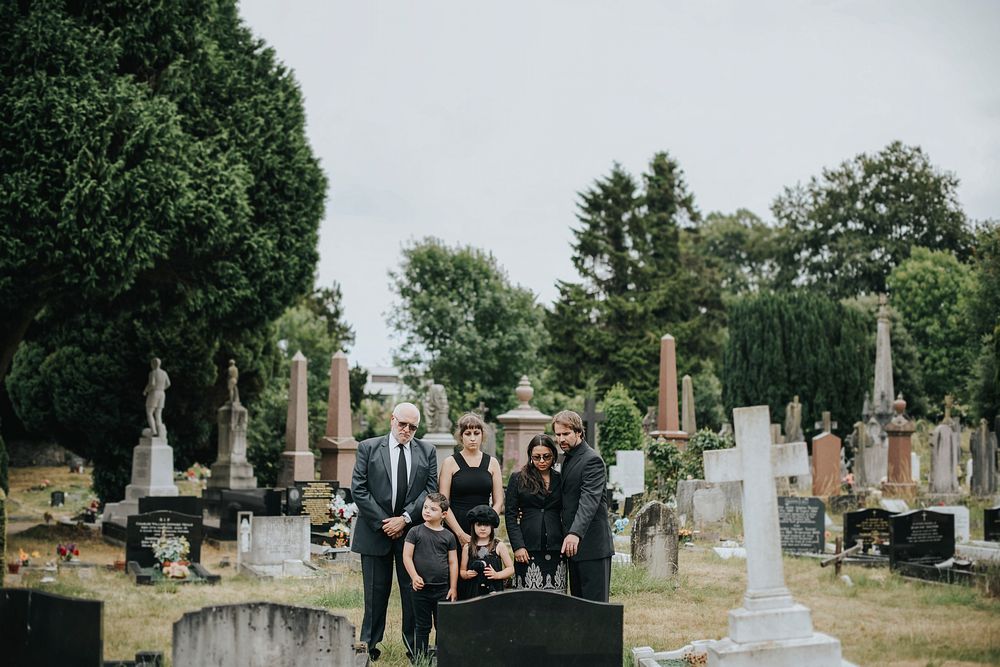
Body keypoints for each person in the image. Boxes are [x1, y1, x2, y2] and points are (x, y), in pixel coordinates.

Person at [351, 402, 438, 662]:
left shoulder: (427, 450)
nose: (407, 430)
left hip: (412, 534)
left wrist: (405, 519)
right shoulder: (368, 448)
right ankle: (369, 647)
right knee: (375, 594)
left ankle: (414, 648)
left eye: (413, 427)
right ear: (392, 420)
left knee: (413, 592)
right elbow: (359, 489)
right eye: (403, 424)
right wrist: (385, 522)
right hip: (375, 531)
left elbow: (429, 490)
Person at [553, 410, 614, 602]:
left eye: (566, 434)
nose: (561, 439)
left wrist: (574, 533)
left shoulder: (591, 460)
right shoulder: (568, 458)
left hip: (592, 545)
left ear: (579, 432)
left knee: (596, 607)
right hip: (574, 548)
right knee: (579, 606)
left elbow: (589, 501)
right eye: (558, 434)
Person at [505, 434, 566, 591]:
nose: (542, 461)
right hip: (527, 546)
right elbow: (510, 515)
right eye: (536, 457)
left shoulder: (561, 479)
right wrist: (518, 546)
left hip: (555, 545)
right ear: (530, 456)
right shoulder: (518, 478)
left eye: (546, 456)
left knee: (555, 597)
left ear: (553, 455)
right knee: (527, 598)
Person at [402, 492, 458, 662]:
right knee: (422, 626)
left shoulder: (448, 536)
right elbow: (407, 556)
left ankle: (442, 658)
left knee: (442, 626)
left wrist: (453, 587)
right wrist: (414, 576)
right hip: (421, 589)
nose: (426, 511)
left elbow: (453, 562)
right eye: (425, 507)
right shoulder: (415, 531)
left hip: (442, 589)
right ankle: (420, 659)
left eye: (433, 509)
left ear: (444, 514)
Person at [439, 413, 503, 558]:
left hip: (483, 526)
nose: (473, 438)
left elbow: (498, 501)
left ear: (482, 435)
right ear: (461, 436)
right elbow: (443, 502)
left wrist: (487, 524)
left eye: (476, 433)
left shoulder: (492, 463)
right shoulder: (450, 463)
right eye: (468, 433)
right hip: (456, 525)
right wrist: (459, 533)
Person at [460, 504, 514, 597]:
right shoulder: (467, 547)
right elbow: (462, 571)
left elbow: (510, 569)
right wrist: (466, 574)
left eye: (486, 525)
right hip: (473, 591)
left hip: (494, 591)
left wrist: (497, 575)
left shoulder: (499, 546)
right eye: (479, 525)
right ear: (473, 526)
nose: (482, 528)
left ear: (492, 527)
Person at [143, 357, 170, 437]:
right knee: (158, 414)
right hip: (162, 393)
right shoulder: (164, 373)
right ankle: (160, 432)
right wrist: (162, 388)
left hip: (154, 393)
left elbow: (152, 384)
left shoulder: (153, 373)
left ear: (153, 364)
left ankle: (154, 431)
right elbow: (168, 384)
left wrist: (145, 390)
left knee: (149, 412)